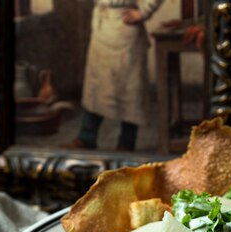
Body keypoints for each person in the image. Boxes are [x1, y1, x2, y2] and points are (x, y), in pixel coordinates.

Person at [65, 0, 164, 151]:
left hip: (124, 26)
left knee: (130, 89)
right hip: (101, 25)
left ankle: (127, 142)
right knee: (96, 86)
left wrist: (144, 12)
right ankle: (86, 138)